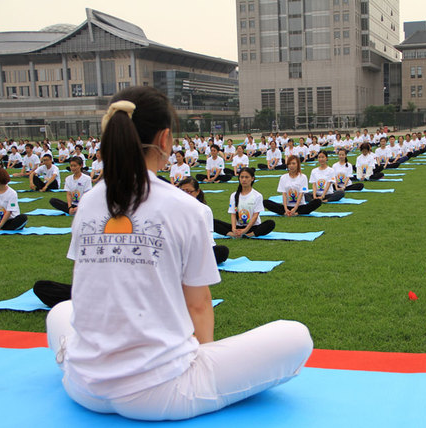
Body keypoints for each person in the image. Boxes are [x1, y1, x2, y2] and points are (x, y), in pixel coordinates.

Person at [44, 86, 312, 421]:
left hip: (84, 384)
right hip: (159, 392)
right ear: (166, 139)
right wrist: (203, 363)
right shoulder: (184, 208)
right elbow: (198, 305)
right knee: (296, 336)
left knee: (60, 312)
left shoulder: (88, 203)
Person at [213, 167, 275, 238]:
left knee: (270, 223)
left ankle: (249, 235)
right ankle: (232, 234)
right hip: (238, 227)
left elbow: (255, 215)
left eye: (246, 177)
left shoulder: (257, 195)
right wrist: (234, 229)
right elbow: (233, 214)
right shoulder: (234, 195)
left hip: (252, 227)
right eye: (242, 177)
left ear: (252, 179)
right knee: (212, 222)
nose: (244, 180)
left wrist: (245, 230)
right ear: (239, 178)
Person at [0, 167, 28, 232]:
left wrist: (0, 225)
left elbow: (9, 212)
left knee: (23, 218)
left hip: (10, 220)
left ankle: (1, 228)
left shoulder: (12, 193)